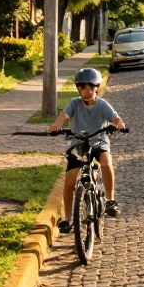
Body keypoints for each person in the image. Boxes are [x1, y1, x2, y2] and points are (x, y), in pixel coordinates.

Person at [48, 67, 126, 233]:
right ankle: (67, 219)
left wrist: (119, 125)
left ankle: (111, 201)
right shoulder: (74, 103)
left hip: (99, 141)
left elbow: (115, 118)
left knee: (105, 163)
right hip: (79, 143)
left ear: (97, 88)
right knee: (69, 181)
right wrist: (56, 125)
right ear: (79, 89)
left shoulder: (102, 104)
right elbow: (63, 116)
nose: (87, 92)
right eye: (83, 88)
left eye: (91, 88)